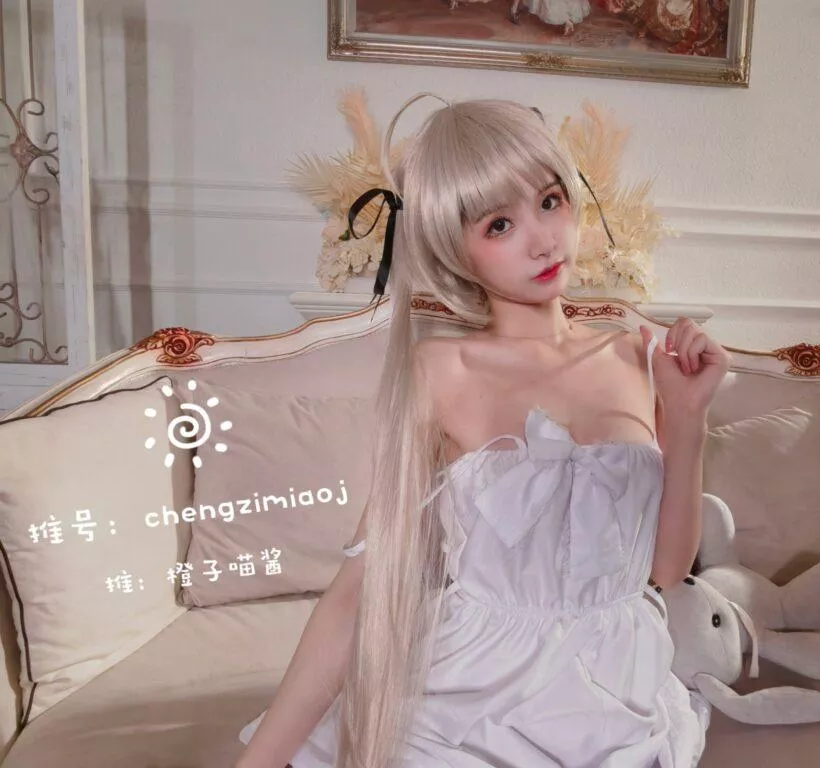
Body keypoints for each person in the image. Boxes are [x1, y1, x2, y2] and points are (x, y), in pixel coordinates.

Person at [234, 93, 730, 768]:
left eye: (550, 201)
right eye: (499, 224)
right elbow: (359, 590)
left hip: (620, 692)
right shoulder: (441, 370)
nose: (542, 239)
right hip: (473, 695)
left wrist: (689, 417)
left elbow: (665, 572)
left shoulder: (637, 356)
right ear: (455, 248)